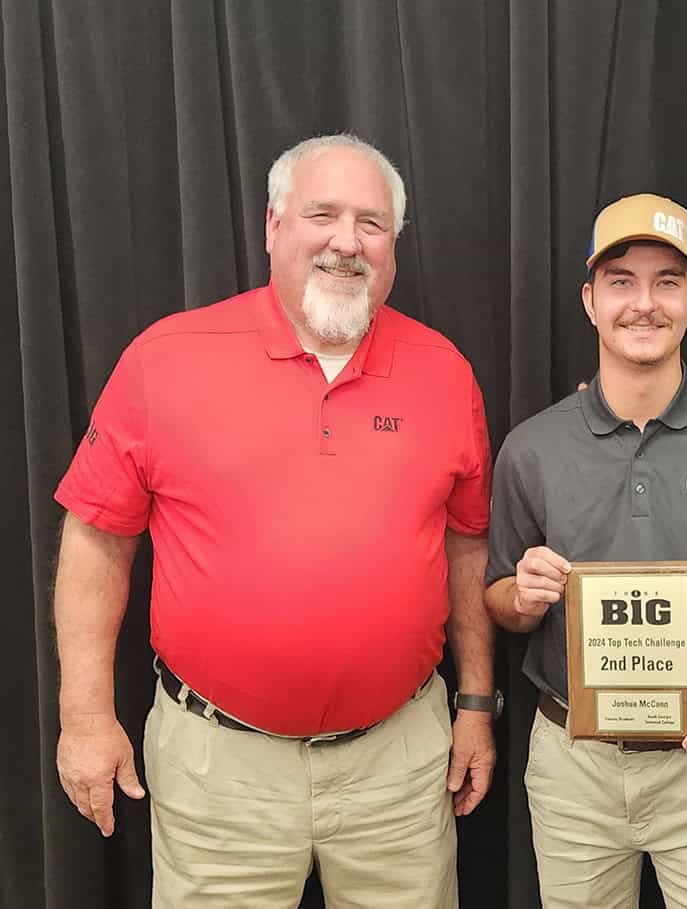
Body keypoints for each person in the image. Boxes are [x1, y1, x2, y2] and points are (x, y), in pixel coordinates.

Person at [53, 133, 499, 908]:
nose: (345, 241)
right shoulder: (166, 358)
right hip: (219, 774)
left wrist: (477, 702)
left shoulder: (445, 372)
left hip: (398, 770)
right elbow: (97, 538)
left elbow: (467, 545)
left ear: (393, 246)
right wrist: (85, 718)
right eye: (322, 214)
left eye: (372, 223)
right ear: (273, 226)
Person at [484, 193, 687, 908]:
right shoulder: (531, 448)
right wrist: (521, 594)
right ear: (589, 300)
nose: (645, 303)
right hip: (574, 764)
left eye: (667, 281)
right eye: (621, 281)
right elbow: (499, 598)